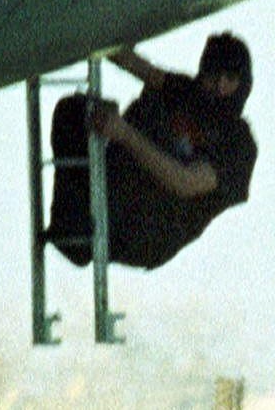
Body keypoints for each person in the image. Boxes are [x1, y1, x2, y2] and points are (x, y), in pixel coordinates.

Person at [47, 32, 257, 270]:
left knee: (146, 119)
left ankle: (80, 234)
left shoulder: (239, 144)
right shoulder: (186, 92)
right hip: (119, 185)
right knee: (74, 112)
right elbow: (139, 67)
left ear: (242, 84)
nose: (220, 86)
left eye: (230, 78)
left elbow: (185, 181)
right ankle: (71, 227)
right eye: (213, 76)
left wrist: (124, 133)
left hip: (151, 231)